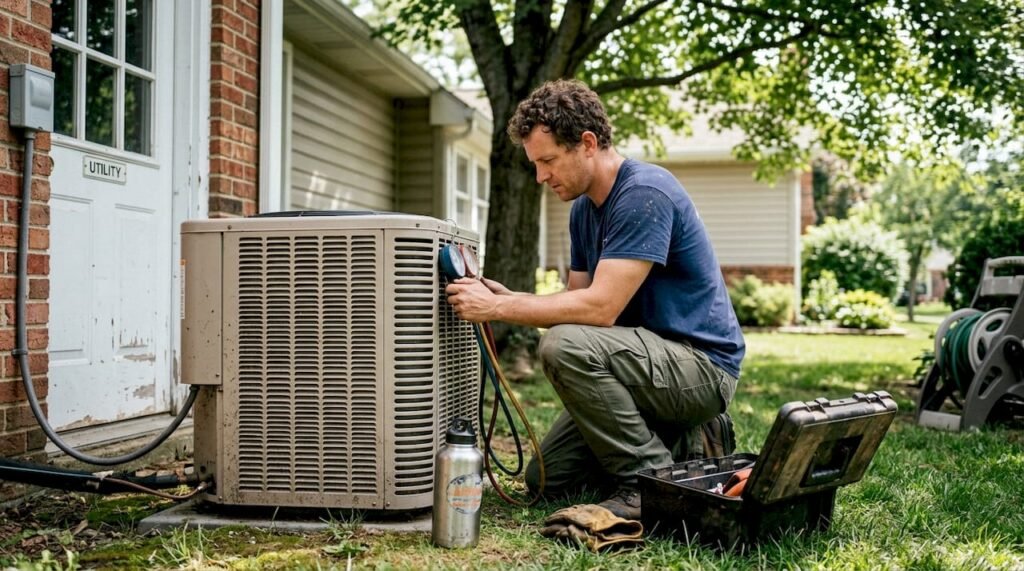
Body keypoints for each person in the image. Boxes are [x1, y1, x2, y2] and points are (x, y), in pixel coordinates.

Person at [444, 79, 745, 520]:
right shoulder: (584, 209)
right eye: (535, 163)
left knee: (562, 345)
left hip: (701, 368)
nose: (541, 176)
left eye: (547, 160)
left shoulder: (644, 194)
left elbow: (597, 312)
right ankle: (688, 442)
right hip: (647, 366)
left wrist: (499, 309)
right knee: (546, 479)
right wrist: (515, 298)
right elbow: (577, 305)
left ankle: (647, 481)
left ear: (587, 143)